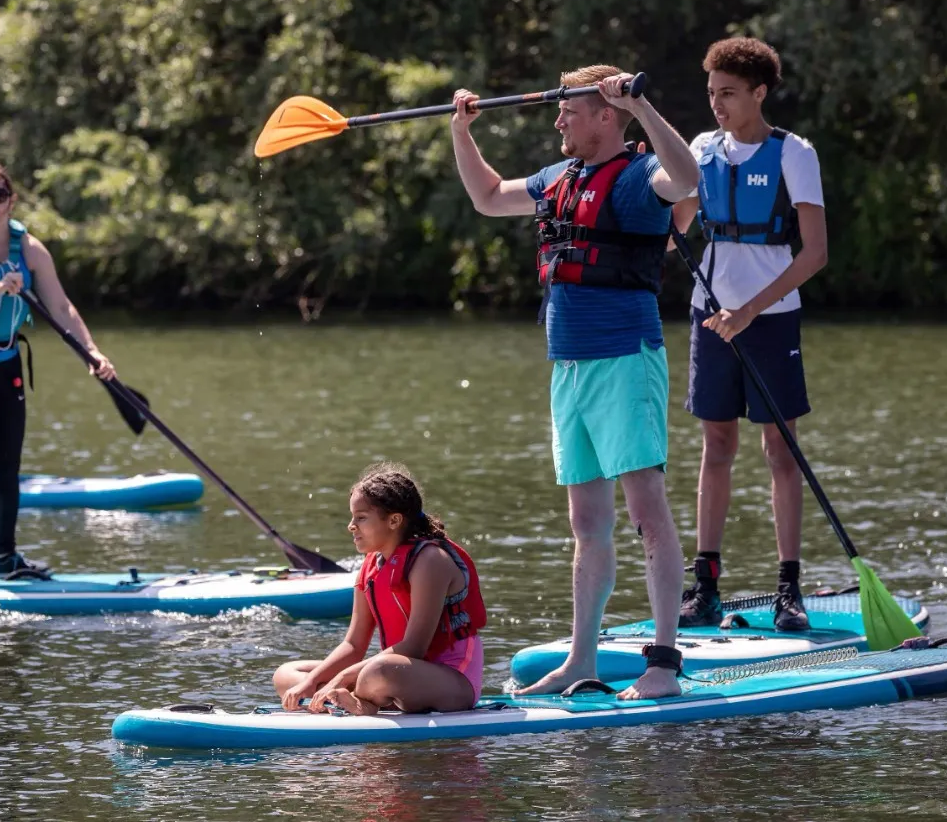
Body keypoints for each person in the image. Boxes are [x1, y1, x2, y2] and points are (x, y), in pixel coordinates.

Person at [451, 65, 700, 700]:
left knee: (646, 511)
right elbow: (486, 197)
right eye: (559, 109)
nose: (558, 119)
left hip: (625, 360)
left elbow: (689, 179)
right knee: (586, 522)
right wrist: (462, 129)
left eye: (570, 109)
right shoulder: (559, 178)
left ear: (605, 116)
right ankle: (581, 660)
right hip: (568, 367)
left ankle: (663, 666)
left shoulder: (640, 177)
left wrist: (642, 105)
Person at [670, 37, 828, 631]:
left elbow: (814, 254)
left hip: (772, 316)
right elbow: (676, 228)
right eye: (711, 93)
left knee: (780, 451)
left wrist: (751, 311)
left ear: (759, 93)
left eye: (729, 94)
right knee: (716, 445)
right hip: (709, 314)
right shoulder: (701, 149)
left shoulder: (795, 154)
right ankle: (705, 584)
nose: (717, 105)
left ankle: (789, 588)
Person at [0, 162, 116, 585]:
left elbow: (62, 308)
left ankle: (5, 558)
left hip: (3, 363)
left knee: (7, 464)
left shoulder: (29, 248)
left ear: (11, 201)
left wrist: (91, 351)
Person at [273, 463, 486, 715]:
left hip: (452, 681)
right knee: (287, 675)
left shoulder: (430, 560)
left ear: (394, 520)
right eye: (352, 518)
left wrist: (342, 677)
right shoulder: (371, 565)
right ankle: (345, 698)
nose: (351, 526)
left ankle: (361, 703)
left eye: (361, 518)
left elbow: (415, 647)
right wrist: (311, 682)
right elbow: (353, 644)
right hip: (398, 673)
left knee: (379, 671)